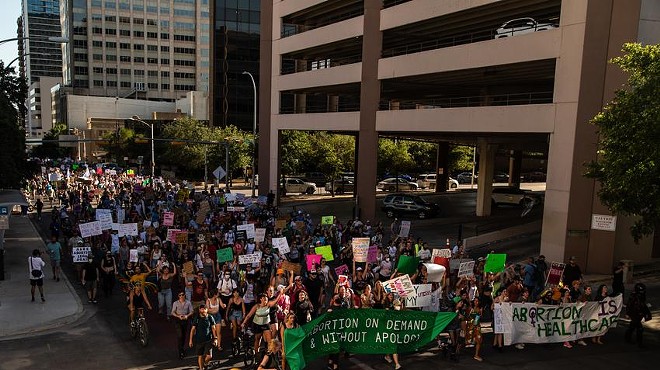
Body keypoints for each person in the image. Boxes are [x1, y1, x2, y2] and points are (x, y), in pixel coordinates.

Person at [189, 304, 218, 370]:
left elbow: (213, 328)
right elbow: (193, 329)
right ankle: (201, 368)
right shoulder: (197, 318)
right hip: (199, 340)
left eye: (204, 309)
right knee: (200, 356)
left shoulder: (210, 317)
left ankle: (205, 363)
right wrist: (190, 340)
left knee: (209, 356)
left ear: (207, 310)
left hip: (208, 340)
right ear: (199, 310)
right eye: (201, 309)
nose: (203, 310)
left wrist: (215, 338)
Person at [625, 282, 652, 348]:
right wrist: (627, 313)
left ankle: (628, 338)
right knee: (639, 328)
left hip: (639, 313)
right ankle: (639, 343)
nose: (642, 292)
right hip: (634, 314)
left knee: (632, 327)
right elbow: (629, 305)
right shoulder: (633, 296)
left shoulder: (642, 295)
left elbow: (642, 304)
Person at [172, 291, 194, 359]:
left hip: (185, 320)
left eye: (182, 295)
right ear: (178, 296)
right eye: (180, 295)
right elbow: (172, 312)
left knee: (184, 336)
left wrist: (187, 316)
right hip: (178, 320)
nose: (181, 296)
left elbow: (192, 311)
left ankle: (182, 348)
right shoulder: (175, 303)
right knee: (180, 335)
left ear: (185, 295)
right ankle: (180, 352)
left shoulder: (188, 302)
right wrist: (178, 316)